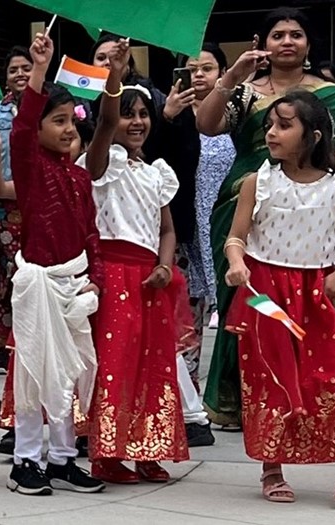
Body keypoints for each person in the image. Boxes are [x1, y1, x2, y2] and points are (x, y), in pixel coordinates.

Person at [195, 7, 335, 429]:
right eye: (277, 34)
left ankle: (299, 395)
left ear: (308, 44)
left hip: (306, 208)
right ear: (262, 43)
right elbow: (207, 125)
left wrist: (311, 167)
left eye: (295, 34)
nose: (286, 41)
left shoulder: (327, 94)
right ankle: (240, 399)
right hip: (243, 201)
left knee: (300, 310)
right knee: (244, 304)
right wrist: (231, 77)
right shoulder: (245, 92)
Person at [220, 90, 335, 506]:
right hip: (263, 293)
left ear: (313, 136)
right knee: (269, 378)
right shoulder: (259, 182)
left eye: (284, 125)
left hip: (315, 292)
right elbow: (237, 236)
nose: (271, 133)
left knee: (334, 374)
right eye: (270, 125)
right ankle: (272, 466)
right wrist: (236, 261)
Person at [2, 31, 111, 497]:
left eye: (72, 121)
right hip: (39, 284)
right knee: (33, 372)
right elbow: (23, 128)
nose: (69, 129)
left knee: (72, 372)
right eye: (59, 121)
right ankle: (26, 460)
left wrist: (96, 282)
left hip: (74, 285)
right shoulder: (31, 165)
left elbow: (92, 233)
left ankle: (64, 458)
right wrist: (40, 72)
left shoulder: (79, 176)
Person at [78, 81, 190, 483]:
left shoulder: (156, 172)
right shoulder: (102, 164)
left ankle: (147, 447)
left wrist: (164, 265)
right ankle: (107, 453)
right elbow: (105, 128)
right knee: (116, 364)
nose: (137, 121)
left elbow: (166, 230)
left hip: (149, 279)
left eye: (144, 113)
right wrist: (113, 82)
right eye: (129, 113)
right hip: (113, 274)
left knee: (153, 363)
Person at [178, 42, 232, 448]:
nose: (199, 75)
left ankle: (229, 399)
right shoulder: (174, 116)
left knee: (235, 319)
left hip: (224, 229)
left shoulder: (233, 117)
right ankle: (188, 404)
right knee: (186, 325)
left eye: (208, 68)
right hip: (185, 235)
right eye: (193, 68)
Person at [0, 46, 33, 377]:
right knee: (4, 278)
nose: (20, 74)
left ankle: (27, 341)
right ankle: (3, 348)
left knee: (31, 275)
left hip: (35, 201)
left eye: (26, 68)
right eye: (14, 69)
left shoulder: (47, 108)